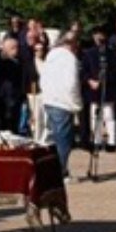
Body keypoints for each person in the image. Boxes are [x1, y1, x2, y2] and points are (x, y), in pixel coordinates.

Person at [40, 29, 83, 176]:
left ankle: (56, 169)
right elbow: (72, 83)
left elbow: (43, 79)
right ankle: (60, 171)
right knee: (63, 140)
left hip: (50, 101)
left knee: (55, 138)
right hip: (63, 103)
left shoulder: (51, 56)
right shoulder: (69, 59)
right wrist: (76, 103)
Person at [0, 33, 28, 136]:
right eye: (12, 48)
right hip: (4, 98)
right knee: (5, 124)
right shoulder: (1, 61)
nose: (16, 50)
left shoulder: (20, 62)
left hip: (17, 96)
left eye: (17, 47)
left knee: (15, 123)